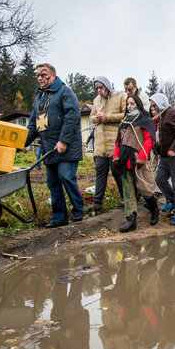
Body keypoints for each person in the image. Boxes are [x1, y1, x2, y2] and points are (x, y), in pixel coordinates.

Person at [25, 63, 84, 228]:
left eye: (44, 75)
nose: (40, 78)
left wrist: (64, 140)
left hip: (67, 147)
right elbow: (33, 126)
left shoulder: (65, 93)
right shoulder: (38, 99)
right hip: (49, 149)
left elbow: (72, 117)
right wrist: (21, 144)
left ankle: (78, 210)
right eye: (38, 75)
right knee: (53, 183)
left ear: (54, 75)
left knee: (66, 176)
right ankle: (59, 218)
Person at [112, 94, 158, 232]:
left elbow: (149, 140)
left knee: (146, 190)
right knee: (128, 192)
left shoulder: (145, 120)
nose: (129, 106)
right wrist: (115, 156)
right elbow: (118, 142)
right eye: (128, 104)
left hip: (139, 162)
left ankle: (154, 209)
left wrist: (142, 157)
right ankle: (131, 220)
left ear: (138, 104)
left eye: (132, 104)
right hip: (124, 162)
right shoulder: (124, 122)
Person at [150, 93, 175, 225]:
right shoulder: (163, 115)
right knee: (160, 179)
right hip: (166, 155)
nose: (153, 109)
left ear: (160, 103)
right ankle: (174, 202)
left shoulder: (173, 113)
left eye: (154, 105)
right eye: (152, 106)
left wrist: (174, 148)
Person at [89, 76, 126, 212]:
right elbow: (91, 117)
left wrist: (108, 117)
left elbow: (125, 114)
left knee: (117, 171)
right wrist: (96, 118)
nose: (99, 90)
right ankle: (97, 202)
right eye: (96, 88)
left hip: (114, 142)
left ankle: (125, 198)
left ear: (107, 86)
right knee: (100, 171)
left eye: (101, 87)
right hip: (100, 144)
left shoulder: (120, 96)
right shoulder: (96, 100)